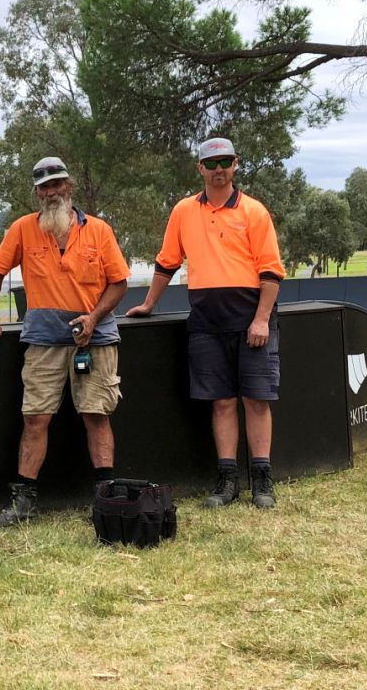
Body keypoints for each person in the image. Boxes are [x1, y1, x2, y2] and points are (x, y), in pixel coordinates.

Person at [126, 137, 286, 509]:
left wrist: (261, 319)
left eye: (225, 162)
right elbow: (167, 262)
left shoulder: (254, 212)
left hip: (251, 320)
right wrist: (149, 303)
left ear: (236, 164)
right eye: (211, 163)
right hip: (206, 321)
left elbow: (271, 272)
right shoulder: (183, 211)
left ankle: (262, 480)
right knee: (222, 402)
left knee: (257, 401)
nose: (218, 170)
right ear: (199, 168)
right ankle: (227, 479)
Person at [0, 156, 130, 530]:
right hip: (43, 340)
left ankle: (105, 499)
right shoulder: (23, 229)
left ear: (69, 185)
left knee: (97, 415)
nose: (51, 192)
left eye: (57, 184)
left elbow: (120, 282)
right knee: (35, 419)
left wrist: (92, 319)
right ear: (37, 192)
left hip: (95, 339)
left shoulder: (99, 230)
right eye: (44, 186)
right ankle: (24, 503)